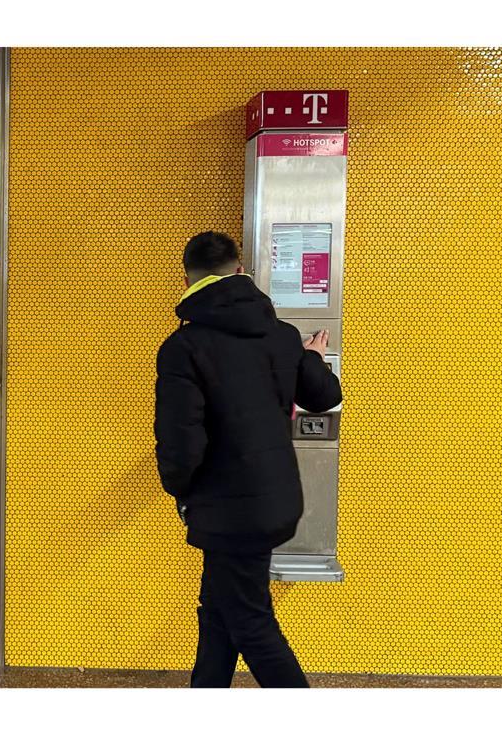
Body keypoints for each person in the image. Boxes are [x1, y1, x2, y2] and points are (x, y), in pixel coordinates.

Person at [154, 230, 342, 688]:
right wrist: (311, 358)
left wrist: (182, 492)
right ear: (240, 271)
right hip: (276, 499)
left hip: (229, 511)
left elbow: (180, 442)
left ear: (187, 281)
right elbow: (324, 397)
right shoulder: (282, 336)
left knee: (252, 624)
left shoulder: (184, 348)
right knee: (218, 610)